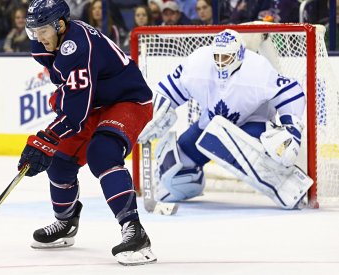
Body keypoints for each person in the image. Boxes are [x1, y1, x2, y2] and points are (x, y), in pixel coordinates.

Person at [19, 0, 157, 266]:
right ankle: (65, 223)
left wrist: (45, 138)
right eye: (33, 30)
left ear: (60, 24)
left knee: (102, 153)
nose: (38, 36)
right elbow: (71, 91)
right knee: (59, 161)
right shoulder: (45, 42)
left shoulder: (77, 46)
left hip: (127, 101)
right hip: (94, 103)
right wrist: (50, 141)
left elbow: (75, 113)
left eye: (43, 29)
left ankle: (134, 231)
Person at [138, 29, 312, 210]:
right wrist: (150, 115)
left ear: (239, 55)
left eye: (226, 57)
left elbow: (291, 91)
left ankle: (282, 178)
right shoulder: (198, 63)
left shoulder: (257, 69)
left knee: (230, 139)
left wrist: (292, 128)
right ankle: (194, 182)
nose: (220, 62)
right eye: (217, 57)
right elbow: (168, 89)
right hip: (211, 124)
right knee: (173, 173)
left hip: (252, 125)